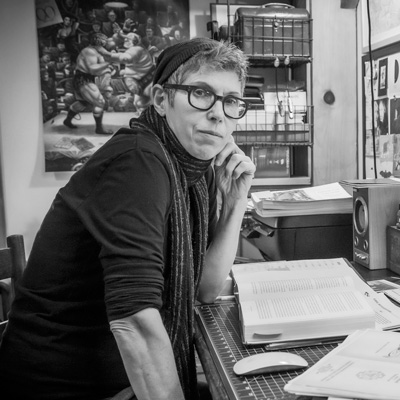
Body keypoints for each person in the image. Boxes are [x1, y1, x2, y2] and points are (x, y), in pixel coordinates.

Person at [0, 37, 255, 400]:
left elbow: (205, 289)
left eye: (232, 102)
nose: (218, 113)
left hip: (120, 378)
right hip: (66, 386)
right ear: (161, 99)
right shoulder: (139, 161)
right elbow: (133, 319)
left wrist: (235, 200)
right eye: (201, 93)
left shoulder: (193, 172)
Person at [63, 32, 114, 134]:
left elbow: (97, 70)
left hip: (84, 79)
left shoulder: (95, 52)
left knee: (83, 102)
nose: (106, 42)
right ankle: (99, 128)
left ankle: (67, 120)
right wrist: (107, 64)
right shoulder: (89, 51)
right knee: (100, 102)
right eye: (104, 40)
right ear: (99, 41)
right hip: (83, 79)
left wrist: (106, 69)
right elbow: (92, 69)